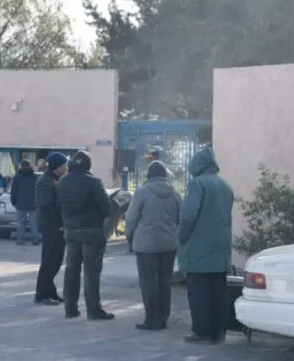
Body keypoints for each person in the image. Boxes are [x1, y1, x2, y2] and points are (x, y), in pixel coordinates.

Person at [178, 146, 235, 344]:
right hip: (221, 248)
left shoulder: (197, 184)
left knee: (199, 293)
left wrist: (182, 238)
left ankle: (201, 332)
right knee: (218, 293)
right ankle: (219, 332)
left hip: (199, 248)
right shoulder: (225, 186)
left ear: (198, 165)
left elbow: (188, 216)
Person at [125, 160, 182, 331]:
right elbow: (182, 218)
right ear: (165, 175)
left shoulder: (142, 192)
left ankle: (152, 320)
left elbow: (131, 219)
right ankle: (164, 317)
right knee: (165, 282)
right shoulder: (176, 194)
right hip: (169, 244)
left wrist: (130, 238)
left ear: (149, 175)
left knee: (148, 282)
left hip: (146, 245)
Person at [58, 150, 113, 320]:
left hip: (71, 231)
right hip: (91, 231)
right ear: (88, 165)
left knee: (71, 270)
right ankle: (94, 310)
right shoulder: (94, 182)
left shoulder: (62, 182)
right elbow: (107, 209)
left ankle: (70, 308)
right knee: (91, 271)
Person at [33, 151, 68, 305]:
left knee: (56, 260)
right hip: (49, 225)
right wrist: (59, 224)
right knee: (49, 261)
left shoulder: (55, 179)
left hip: (55, 225)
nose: (66, 168)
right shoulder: (45, 181)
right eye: (64, 166)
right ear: (57, 167)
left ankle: (50, 291)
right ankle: (41, 295)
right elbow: (46, 206)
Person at [9, 159, 39, 245]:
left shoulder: (17, 177)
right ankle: (35, 239)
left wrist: (14, 202)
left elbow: (13, 191)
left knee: (21, 223)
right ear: (29, 166)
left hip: (21, 203)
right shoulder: (34, 177)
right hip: (33, 204)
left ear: (21, 166)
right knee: (33, 223)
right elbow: (38, 191)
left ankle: (20, 240)